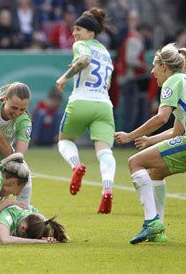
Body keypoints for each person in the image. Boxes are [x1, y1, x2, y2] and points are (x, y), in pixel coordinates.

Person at [114, 43, 186, 244]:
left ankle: (151, 223)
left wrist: (130, 135)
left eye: (154, 66)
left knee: (135, 163)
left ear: (164, 66)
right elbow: (177, 131)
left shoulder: (172, 82)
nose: (152, 72)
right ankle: (158, 232)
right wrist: (150, 140)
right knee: (156, 172)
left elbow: (161, 118)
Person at [55, 7, 116, 214]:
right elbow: (107, 85)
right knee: (105, 151)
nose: (74, 34)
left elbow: (84, 60)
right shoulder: (106, 53)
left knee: (64, 141)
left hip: (82, 101)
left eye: (78, 29)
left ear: (90, 33)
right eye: (74, 30)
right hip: (104, 105)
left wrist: (64, 77)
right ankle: (107, 191)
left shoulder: (81, 45)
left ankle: (76, 166)